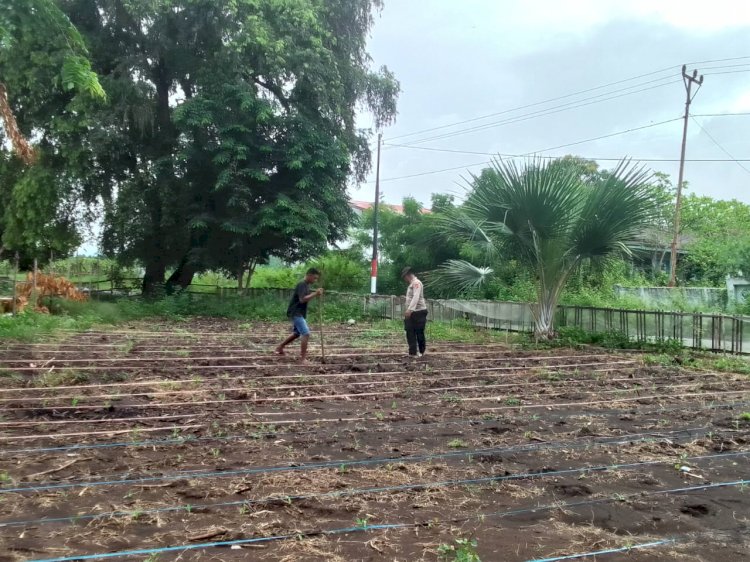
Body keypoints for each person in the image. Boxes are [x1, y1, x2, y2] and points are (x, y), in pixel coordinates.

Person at [275, 268, 324, 362]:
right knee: (306, 333)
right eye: (314, 278)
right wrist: (316, 293)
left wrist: (316, 294)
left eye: (316, 279)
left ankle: (280, 347)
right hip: (295, 312)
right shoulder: (302, 284)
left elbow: (305, 298)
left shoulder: (306, 285)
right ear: (309, 275)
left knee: (297, 333)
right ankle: (302, 359)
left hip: (298, 312)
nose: (315, 280)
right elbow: (302, 299)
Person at [401, 267, 428, 357]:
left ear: (408, 275)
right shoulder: (412, 284)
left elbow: (416, 297)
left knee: (419, 332)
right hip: (411, 312)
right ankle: (412, 352)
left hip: (419, 311)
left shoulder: (416, 283)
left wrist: (410, 309)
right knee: (409, 331)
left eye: (405, 277)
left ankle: (421, 351)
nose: (405, 279)